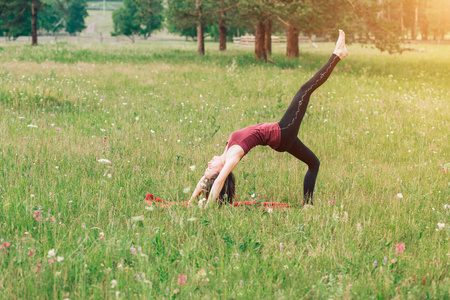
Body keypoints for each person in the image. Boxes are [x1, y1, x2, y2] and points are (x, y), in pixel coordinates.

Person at [188, 29, 348, 208]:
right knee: (305, 90)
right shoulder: (232, 156)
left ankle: (308, 205)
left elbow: (204, 181)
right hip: (283, 131)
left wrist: (190, 202)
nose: (208, 164)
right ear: (220, 171)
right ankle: (337, 54)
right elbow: (217, 182)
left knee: (314, 163)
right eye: (211, 168)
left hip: (283, 139)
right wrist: (208, 208)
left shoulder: (226, 152)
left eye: (207, 168)